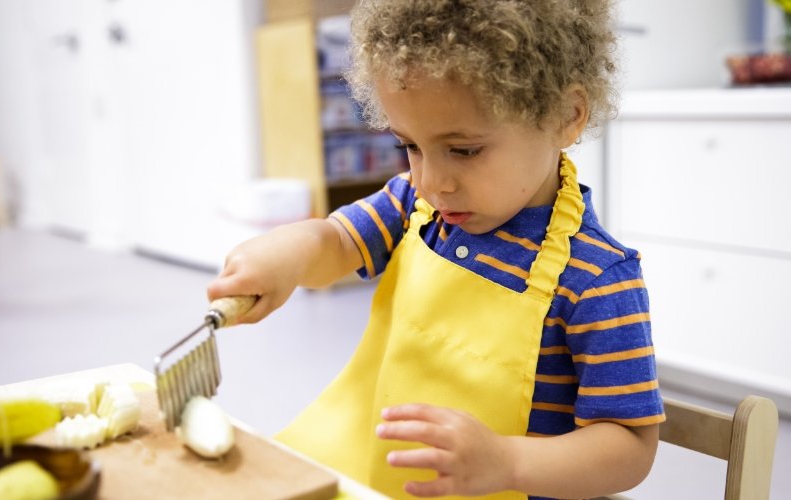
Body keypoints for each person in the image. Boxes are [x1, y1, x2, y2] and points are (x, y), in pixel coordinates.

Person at [208, 0, 665, 498]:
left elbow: (629, 448)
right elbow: (338, 243)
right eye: (411, 145)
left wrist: (508, 462)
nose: (431, 180)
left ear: (566, 116)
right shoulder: (414, 207)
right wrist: (290, 251)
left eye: (464, 150)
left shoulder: (596, 278)